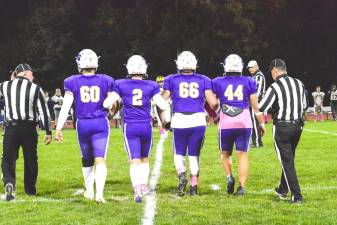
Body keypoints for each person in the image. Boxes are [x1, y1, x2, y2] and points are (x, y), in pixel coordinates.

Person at [103, 55, 169, 203]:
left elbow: (107, 103)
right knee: (145, 158)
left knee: (134, 159)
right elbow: (164, 105)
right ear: (144, 68)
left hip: (130, 126)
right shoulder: (151, 85)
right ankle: (144, 187)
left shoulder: (121, 84)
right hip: (145, 126)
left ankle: (137, 190)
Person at [55, 49, 114, 204]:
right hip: (100, 122)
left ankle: (89, 191)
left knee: (87, 159)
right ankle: (99, 194)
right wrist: (112, 112)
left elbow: (66, 106)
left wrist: (59, 127)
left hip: (83, 124)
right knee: (100, 158)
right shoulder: (105, 79)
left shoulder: (72, 81)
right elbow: (113, 104)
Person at [162, 51, 217, 196]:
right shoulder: (203, 79)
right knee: (194, 155)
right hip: (198, 120)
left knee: (178, 154)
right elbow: (213, 103)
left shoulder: (171, 79)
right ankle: (193, 187)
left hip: (179, 120)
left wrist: (164, 120)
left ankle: (182, 175)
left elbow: (162, 101)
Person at [212, 54, 265, 195]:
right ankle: (241, 187)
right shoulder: (249, 81)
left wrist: (216, 112)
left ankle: (229, 177)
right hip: (244, 123)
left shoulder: (218, 81)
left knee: (225, 154)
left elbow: (212, 102)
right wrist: (262, 123)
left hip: (226, 123)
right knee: (243, 155)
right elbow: (255, 107)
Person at [0, 63, 52, 201]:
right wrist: (48, 131)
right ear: (25, 73)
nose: (33, 76)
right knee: (30, 160)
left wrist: (11, 79)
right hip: (29, 128)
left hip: (11, 128)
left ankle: (9, 186)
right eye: (31, 73)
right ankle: (30, 190)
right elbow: (44, 112)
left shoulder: (4, 86)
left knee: (8, 159)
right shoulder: (35, 88)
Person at [259, 59, 307, 204]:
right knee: (289, 158)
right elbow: (304, 105)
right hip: (298, 126)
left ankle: (296, 196)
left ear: (275, 70)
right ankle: (282, 189)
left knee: (286, 161)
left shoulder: (275, 87)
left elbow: (262, 107)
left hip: (282, 128)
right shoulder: (299, 83)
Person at [247, 60, 266, 147]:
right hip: (253, 102)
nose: (250, 69)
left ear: (256, 66)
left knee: (255, 122)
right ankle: (255, 140)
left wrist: (253, 102)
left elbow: (257, 92)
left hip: (256, 102)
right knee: (253, 121)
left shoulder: (258, 76)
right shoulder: (254, 76)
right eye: (249, 68)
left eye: (251, 67)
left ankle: (257, 142)